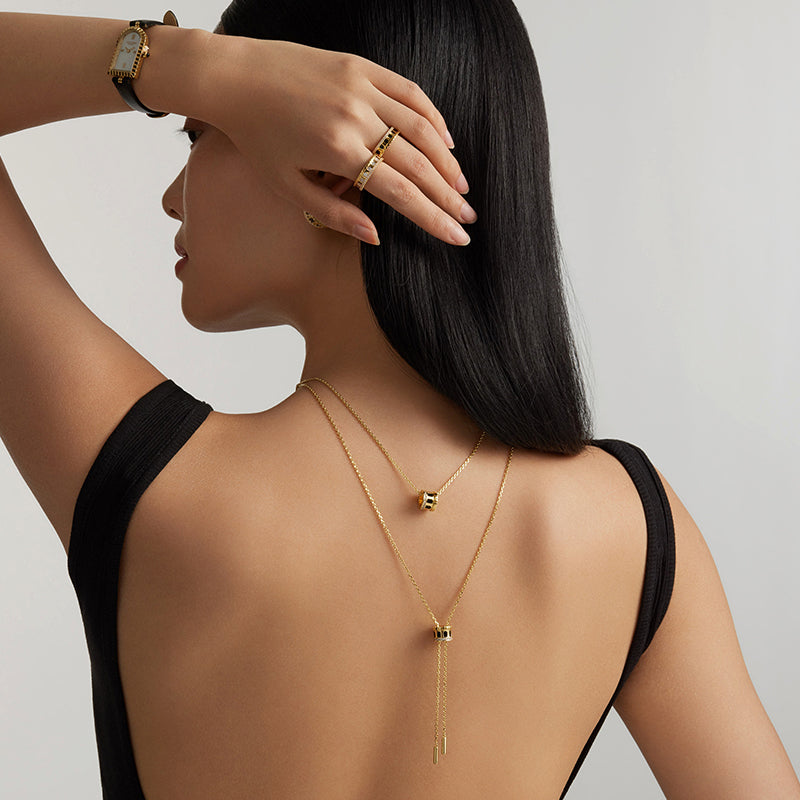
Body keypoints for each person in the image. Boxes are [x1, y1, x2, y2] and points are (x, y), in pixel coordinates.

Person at [0, 1, 798, 798]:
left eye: (198, 135)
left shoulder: (157, 485)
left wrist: (202, 70)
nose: (173, 198)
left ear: (326, 161)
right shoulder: (631, 525)